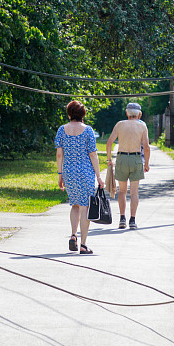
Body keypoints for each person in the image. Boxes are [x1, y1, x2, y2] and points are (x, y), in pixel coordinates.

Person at [55, 100, 104, 254]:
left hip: (69, 172)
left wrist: (60, 174)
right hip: (85, 172)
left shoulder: (61, 130)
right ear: (83, 114)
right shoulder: (88, 130)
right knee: (85, 207)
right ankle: (83, 245)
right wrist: (99, 176)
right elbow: (93, 154)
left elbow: (59, 154)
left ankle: (73, 235)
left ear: (69, 113)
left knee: (74, 204)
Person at [106, 102, 150, 229]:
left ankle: (122, 218)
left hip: (122, 159)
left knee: (122, 191)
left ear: (127, 113)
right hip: (136, 159)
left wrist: (109, 159)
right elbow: (146, 147)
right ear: (139, 114)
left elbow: (109, 143)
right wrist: (146, 163)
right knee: (134, 192)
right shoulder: (142, 127)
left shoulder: (120, 124)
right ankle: (132, 220)